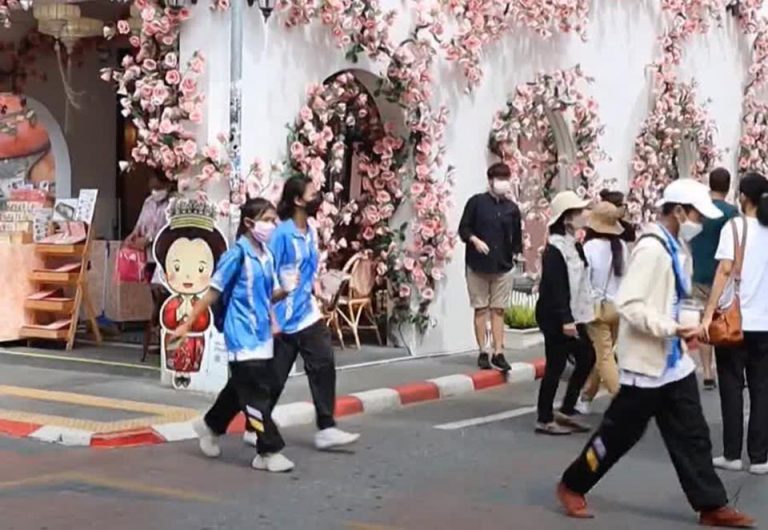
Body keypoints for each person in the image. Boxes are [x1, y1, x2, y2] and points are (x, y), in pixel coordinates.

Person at [556, 179, 755, 528]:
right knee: (615, 437)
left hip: (674, 364)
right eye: (697, 215)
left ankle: (712, 504)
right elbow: (629, 304)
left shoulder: (676, 247)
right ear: (678, 211)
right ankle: (573, 484)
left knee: (693, 435)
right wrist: (670, 327)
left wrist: (685, 324)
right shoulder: (651, 249)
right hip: (645, 367)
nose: (700, 222)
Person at [179, 198, 295, 473]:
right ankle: (268, 451)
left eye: (274, 220)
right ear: (249, 223)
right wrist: (188, 323)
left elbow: (267, 295)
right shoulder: (236, 256)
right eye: (267, 220)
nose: (272, 225)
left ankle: (210, 425)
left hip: (261, 334)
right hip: (240, 334)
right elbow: (213, 292)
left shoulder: (266, 256)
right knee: (256, 394)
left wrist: (285, 291)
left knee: (239, 389)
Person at [269, 175, 360, 450]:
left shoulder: (309, 229)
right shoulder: (281, 234)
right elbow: (267, 270)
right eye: (313, 194)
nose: (318, 197)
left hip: (307, 311)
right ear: (298, 200)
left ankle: (326, 427)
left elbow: (308, 267)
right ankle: (253, 423)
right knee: (273, 378)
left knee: (323, 362)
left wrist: (317, 285)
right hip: (282, 316)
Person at [702, 172, 768, 475]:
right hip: (765, 323)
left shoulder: (735, 227)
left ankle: (732, 453)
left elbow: (725, 270)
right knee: (762, 389)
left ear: (743, 197)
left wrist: (709, 311)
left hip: (735, 320)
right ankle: (760, 457)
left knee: (731, 387)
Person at [534, 191, 596, 435]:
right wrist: (566, 319)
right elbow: (556, 286)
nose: (584, 215)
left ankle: (567, 409)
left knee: (587, 357)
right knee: (556, 365)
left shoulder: (574, 245)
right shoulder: (555, 249)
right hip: (556, 315)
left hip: (574, 313)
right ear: (567, 218)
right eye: (579, 212)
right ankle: (544, 417)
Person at [458, 162, 522, 371]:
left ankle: (499, 351)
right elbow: (464, 229)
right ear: (490, 180)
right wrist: (475, 240)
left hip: (503, 265)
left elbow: (517, 237)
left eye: (506, 179)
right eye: (499, 179)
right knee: (480, 308)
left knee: (499, 309)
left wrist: (516, 256)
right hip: (477, 265)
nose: (503, 183)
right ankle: (483, 351)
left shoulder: (512, 209)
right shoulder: (476, 203)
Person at [575, 201, 627, 414]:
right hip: (618, 307)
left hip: (597, 308)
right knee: (603, 355)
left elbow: (584, 281)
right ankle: (586, 396)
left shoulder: (589, 248)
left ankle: (623, 402)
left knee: (604, 357)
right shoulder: (621, 247)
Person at [690, 168, 738, 390]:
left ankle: (707, 371)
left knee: (703, 321)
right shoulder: (731, 213)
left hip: (699, 271)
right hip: (723, 274)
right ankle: (726, 366)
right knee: (725, 319)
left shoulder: (698, 211)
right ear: (728, 186)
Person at [124, 173, 176, 361]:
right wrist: (133, 235)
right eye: (152, 187)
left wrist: (148, 239)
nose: (155, 191)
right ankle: (160, 337)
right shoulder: (148, 202)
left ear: (168, 185)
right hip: (149, 258)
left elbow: (169, 228)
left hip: (165, 256)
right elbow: (140, 224)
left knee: (166, 300)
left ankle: (167, 338)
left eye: (158, 187)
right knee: (155, 299)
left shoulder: (174, 203)